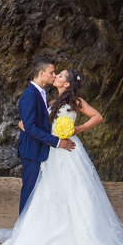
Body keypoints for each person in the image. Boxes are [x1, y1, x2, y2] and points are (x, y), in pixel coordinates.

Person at [0, 67, 123, 245]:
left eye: (59, 75)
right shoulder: (50, 102)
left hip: (69, 147)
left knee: (77, 187)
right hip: (53, 149)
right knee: (52, 188)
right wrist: (22, 124)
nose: (55, 76)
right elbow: (38, 123)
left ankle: (84, 233)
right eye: (55, 73)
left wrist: (78, 129)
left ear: (66, 83)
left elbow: (97, 116)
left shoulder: (75, 102)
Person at [15, 56, 76, 215]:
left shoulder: (42, 93)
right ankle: (22, 231)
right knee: (29, 191)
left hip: (41, 150)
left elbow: (39, 119)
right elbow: (30, 126)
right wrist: (56, 142)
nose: (54, 75)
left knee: (38, 193)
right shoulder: (30, 95)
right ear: (41, 73)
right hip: (31, 150)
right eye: (52, 72)